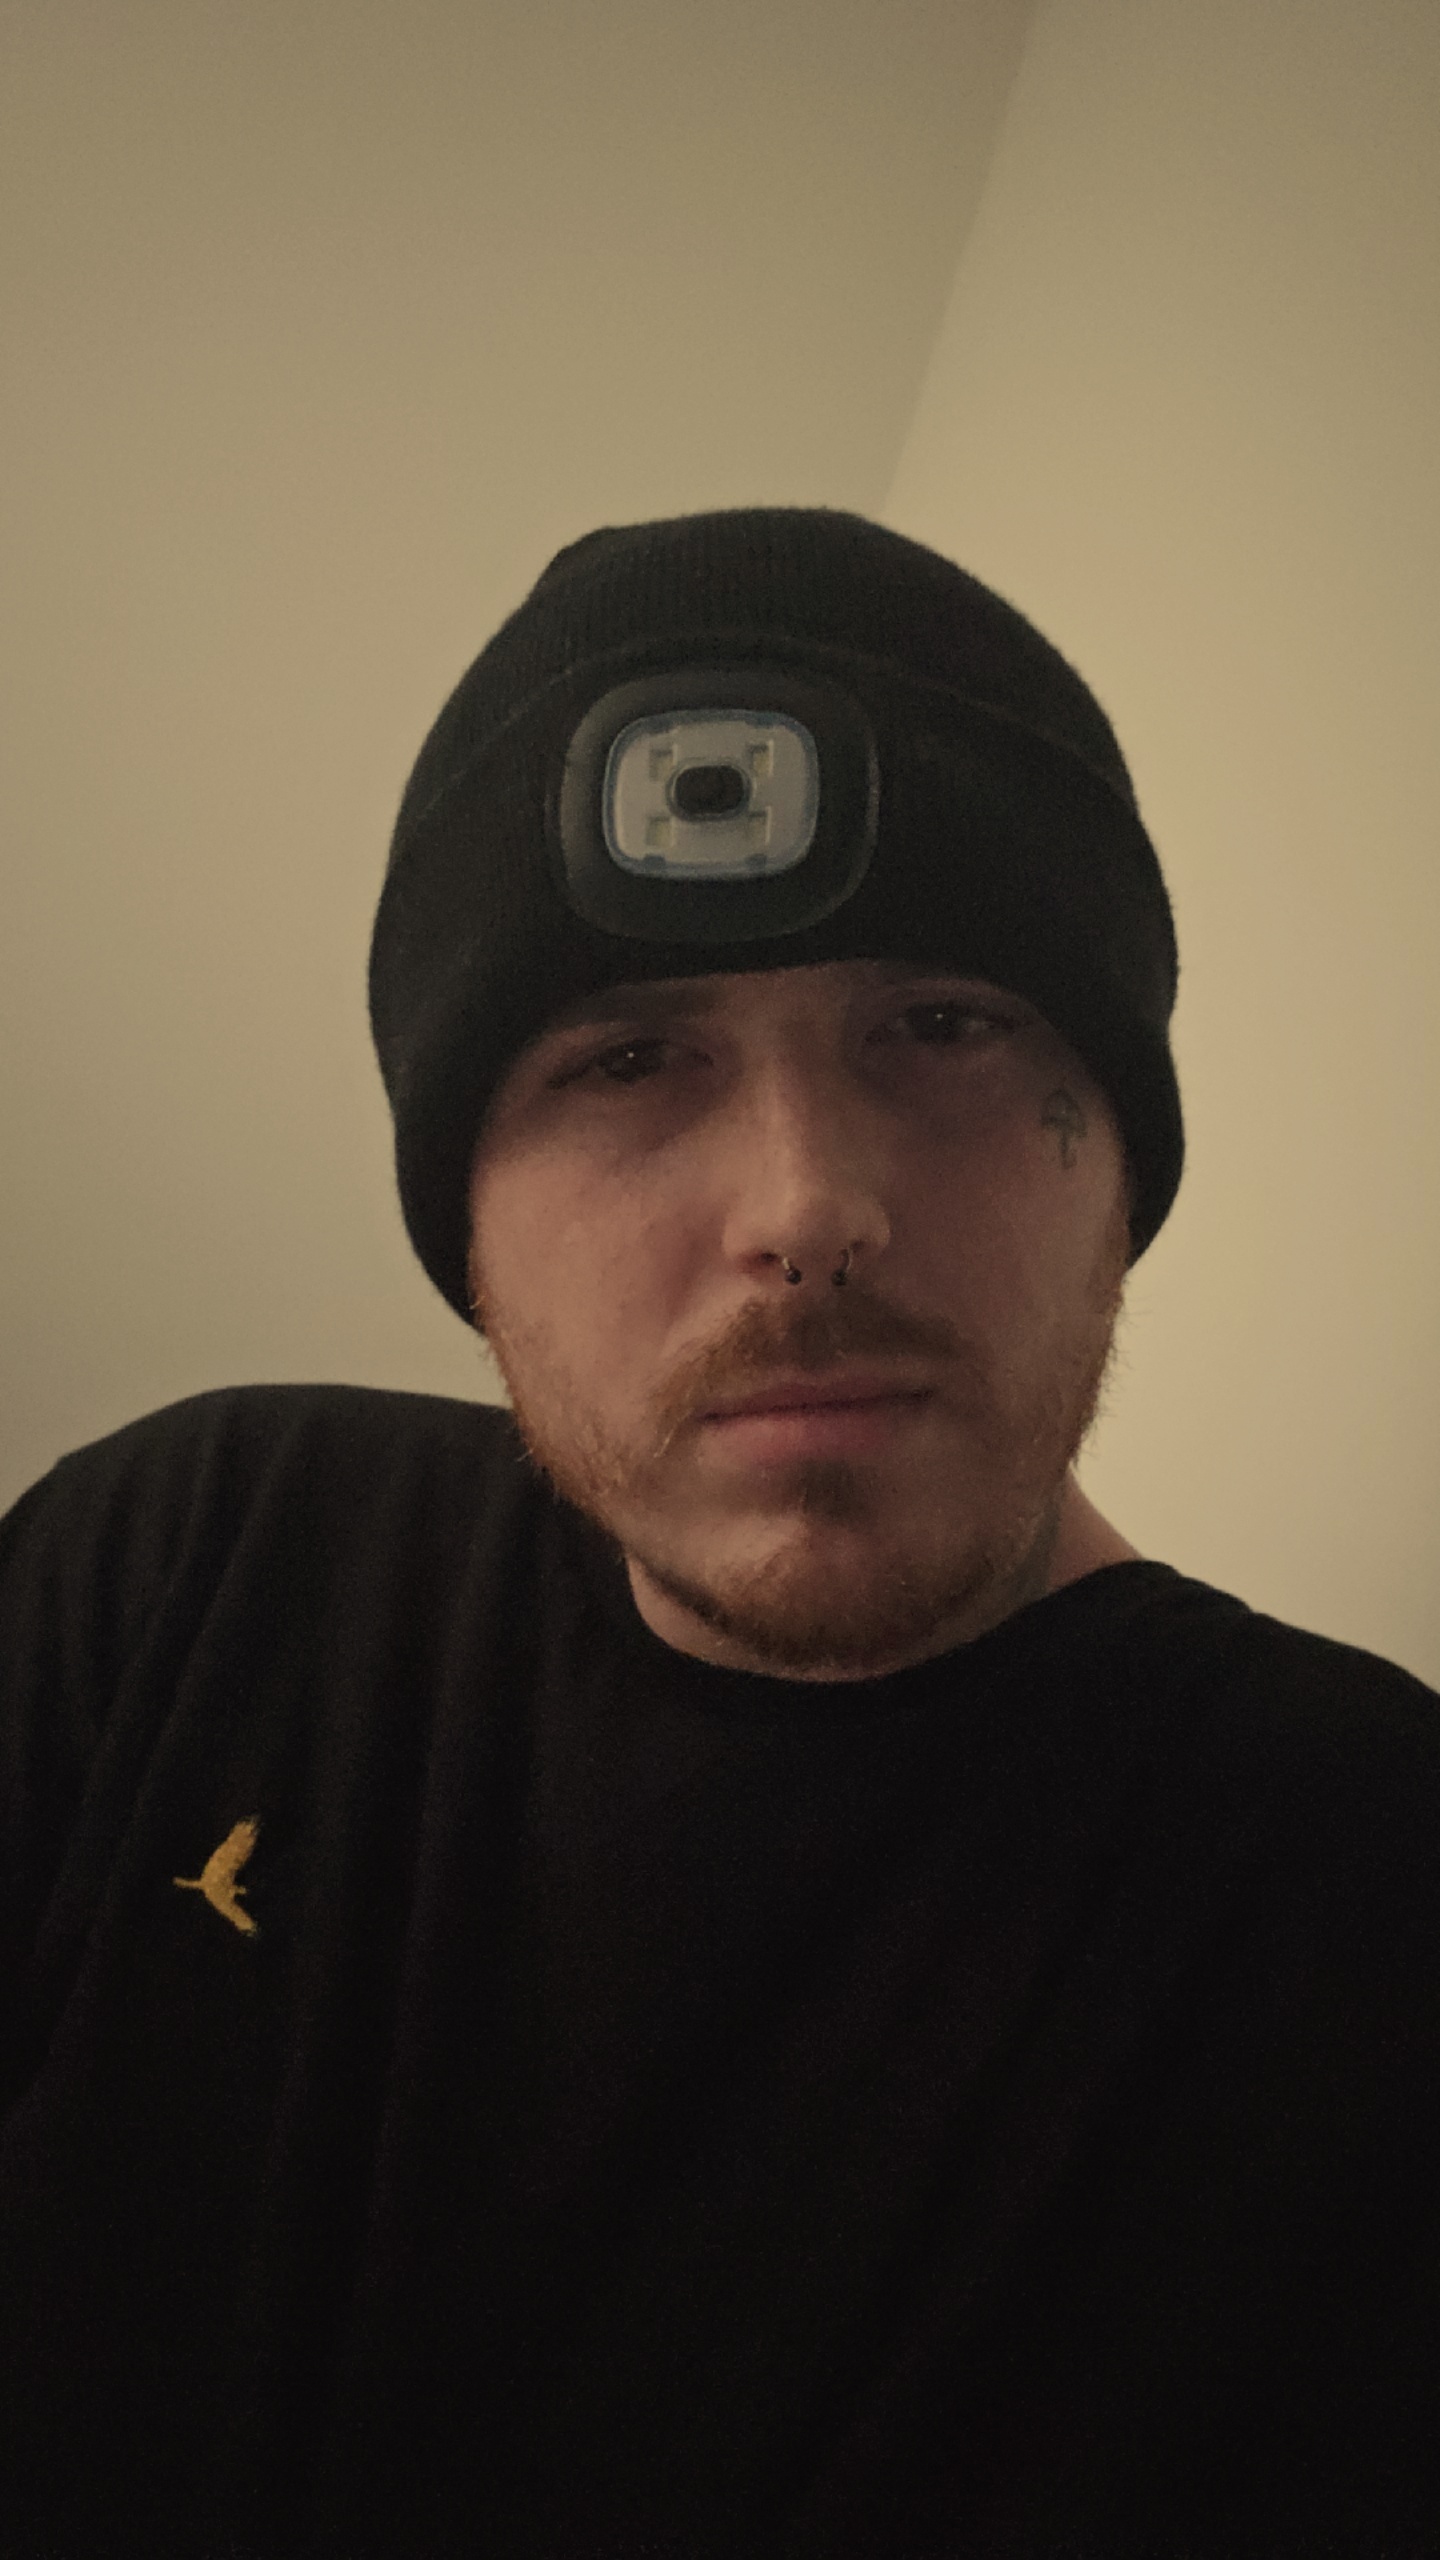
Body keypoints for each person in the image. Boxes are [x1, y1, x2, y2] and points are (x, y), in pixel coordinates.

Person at [1, 507, 1436, 2560]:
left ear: (1120, 1157)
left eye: (942, 1023)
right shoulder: (185, 1573)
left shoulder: (1370, 1907)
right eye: (630, 1057)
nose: (807, 1208)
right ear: (463, 1218)